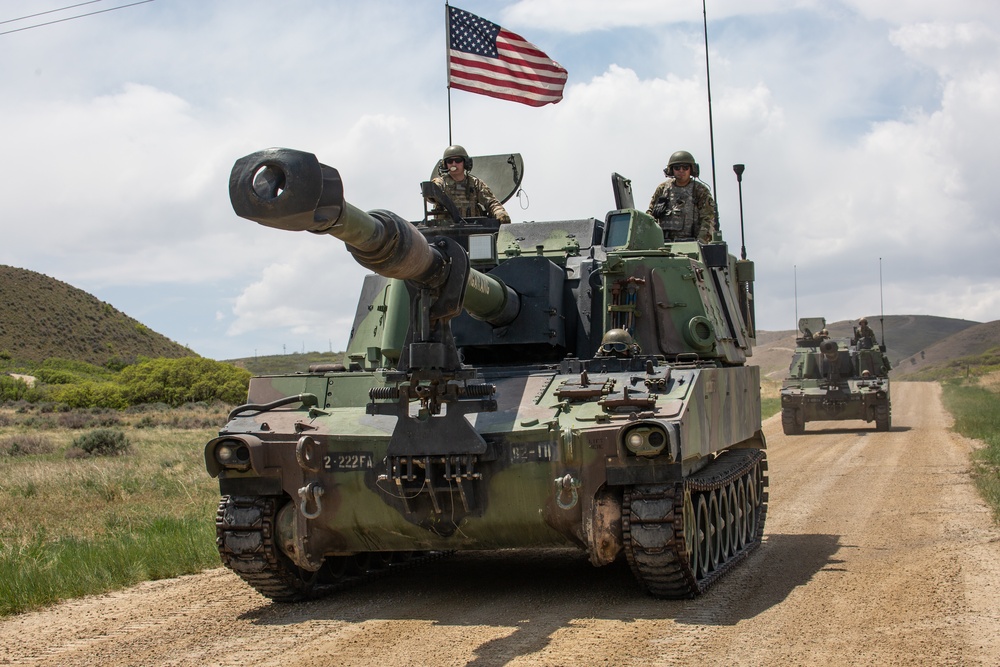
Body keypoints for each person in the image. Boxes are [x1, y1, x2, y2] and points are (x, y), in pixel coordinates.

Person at [428, 145, 511, 224]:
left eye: (458, 160)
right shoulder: (441, 183)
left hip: (472, 230)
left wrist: (500, 213)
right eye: (450, 161)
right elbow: (431, 192)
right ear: (445, 164)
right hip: (447, 232)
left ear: (465, 162)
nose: (454, 164)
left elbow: (491, 202)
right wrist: (432, 192)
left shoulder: (475, 184)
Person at [647, 150, 716, 243]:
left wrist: (701, 242)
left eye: (685, 167)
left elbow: (708, 219)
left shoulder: (699, 190)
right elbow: (649, 215)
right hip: (663, 244)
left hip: (691, 244)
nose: (681, 171)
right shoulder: (663, 189)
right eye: (677, 168)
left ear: (691, 169)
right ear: (671, 170)